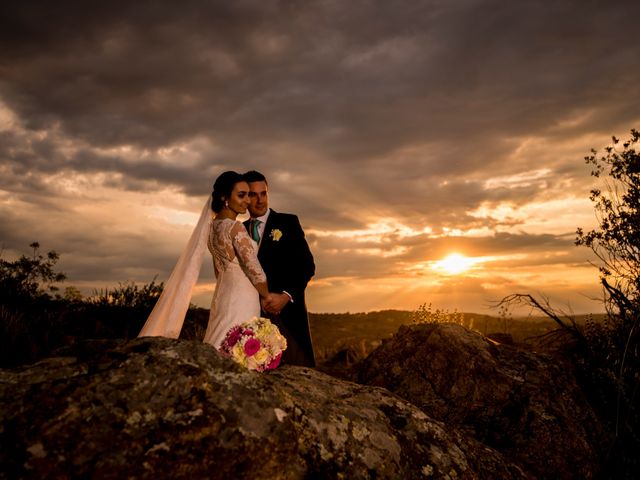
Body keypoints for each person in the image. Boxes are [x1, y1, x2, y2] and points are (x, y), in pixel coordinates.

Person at [138, 171, 274, 349]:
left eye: (248, 195)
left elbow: (219, 269)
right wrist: (267, 296)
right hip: (243, 298)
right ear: (225, 197)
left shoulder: (213, 227)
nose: (248, 201)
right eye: (241, 195)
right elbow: (255, 271)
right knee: (240, 346)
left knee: (222, 338)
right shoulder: (236, 228)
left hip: (224, 294)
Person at [243, 170, 316, 367]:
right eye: (253, 194)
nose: (260, 200)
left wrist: (285, 296)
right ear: (244, 197)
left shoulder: (288, 222)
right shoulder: (239, 230)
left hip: (288, 319)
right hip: (251, 318)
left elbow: (307, 266)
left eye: (263, 193)